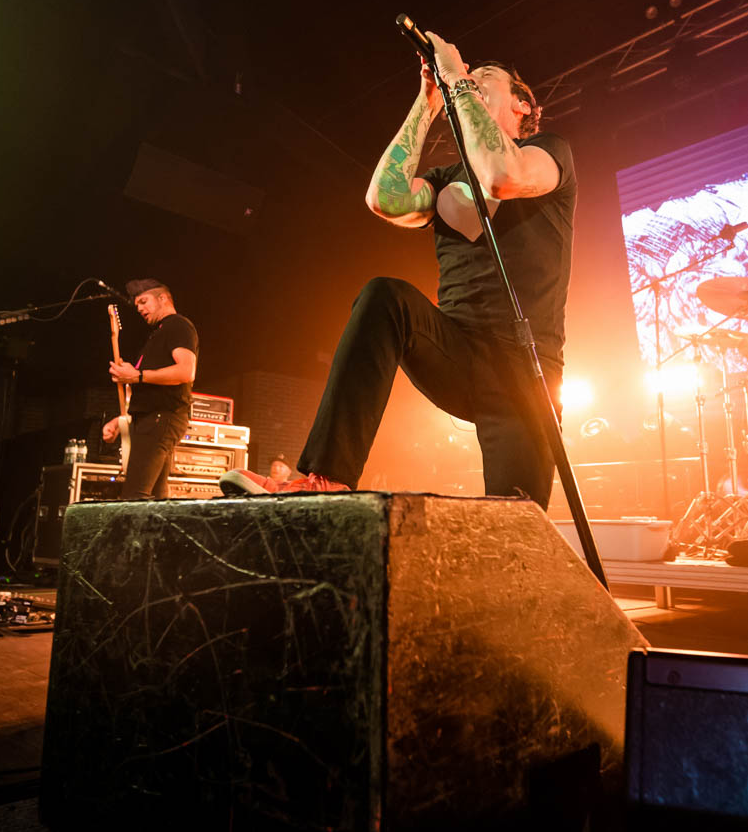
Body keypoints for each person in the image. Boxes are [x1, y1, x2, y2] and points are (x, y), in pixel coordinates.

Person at [219, 31, 575, 509]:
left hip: (524, 376)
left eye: (485, 77)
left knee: (518, 527)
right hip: (458, 352)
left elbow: (502, 176)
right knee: (384, 296)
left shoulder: (548, 152)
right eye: (470, 77)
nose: (472, 80)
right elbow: (383, 199)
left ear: (522, 105)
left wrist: (457, 76)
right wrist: (427, 101)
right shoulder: (445, 180)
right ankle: (326, 477)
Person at [103, 279, 199, 499]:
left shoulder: (178, 325)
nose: (139, 308)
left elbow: (186, 371)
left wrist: (138, 376)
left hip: (161, 418)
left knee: (134, 496)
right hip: (155, 418)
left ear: (162, 298)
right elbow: (147, 393)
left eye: (144, 301)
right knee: (156, 498)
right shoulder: (159, 334)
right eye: (137, 304)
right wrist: (120, 421)